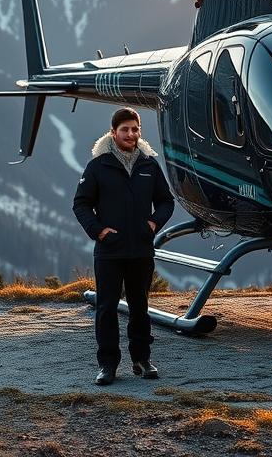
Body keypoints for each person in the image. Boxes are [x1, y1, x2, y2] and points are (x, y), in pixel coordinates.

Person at [73, 107, 175, 385]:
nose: (130, 134)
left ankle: (142, 360)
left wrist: (154, 223)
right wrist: (98, 231)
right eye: (125, 129)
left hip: (141, 250)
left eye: (135, 129)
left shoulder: (149, 165)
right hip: (110, 251)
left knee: (140, 307)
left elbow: (166, 201)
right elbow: (81, 204)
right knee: (106, 308)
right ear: (113, 132)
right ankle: (107, 365)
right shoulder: (98, 166)